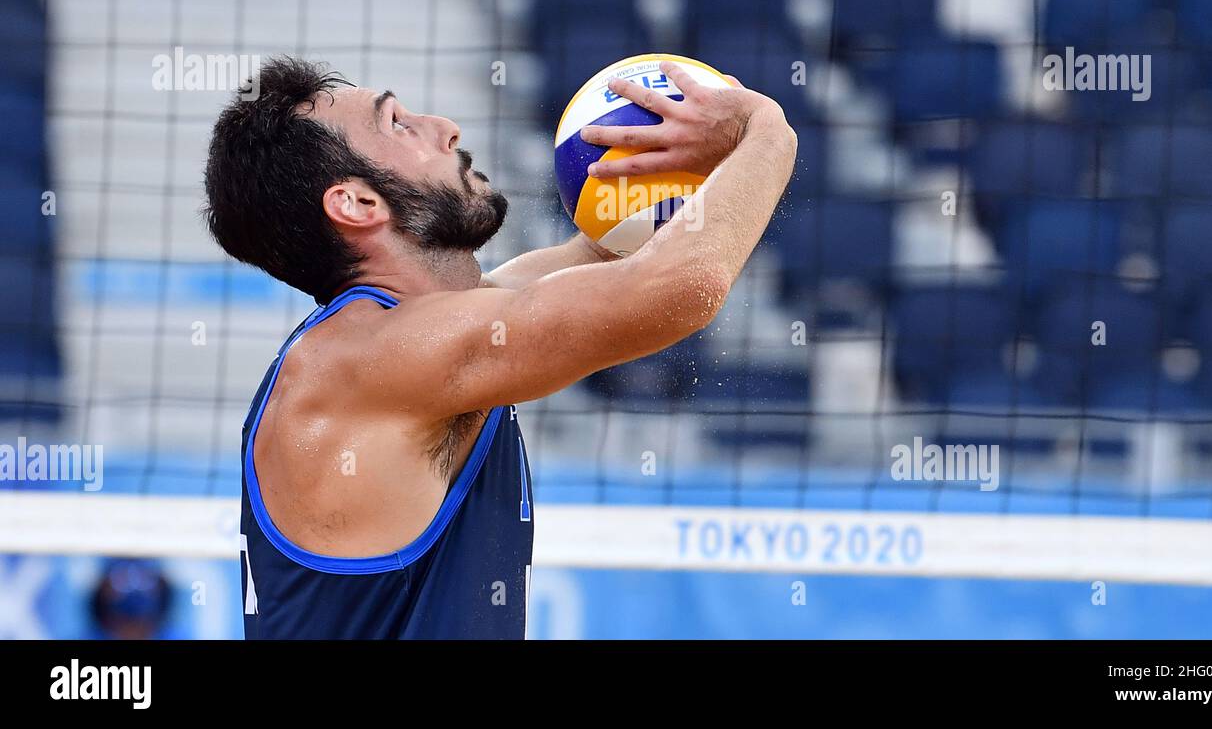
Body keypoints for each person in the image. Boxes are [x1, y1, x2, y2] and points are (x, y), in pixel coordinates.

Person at [203, 55, 796, 638]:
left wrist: (689, 158)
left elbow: (625, 258)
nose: (445, 128)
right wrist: (764, 128)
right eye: (398, 124)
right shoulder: (371, 359)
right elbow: (677, 288)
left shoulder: (436, 328)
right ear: (357, 204)